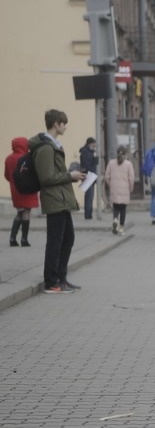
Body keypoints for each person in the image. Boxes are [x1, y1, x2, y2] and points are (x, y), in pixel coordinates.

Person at [32, 109, 86, 294]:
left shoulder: (54, 145)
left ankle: (61, 278)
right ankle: (51, 282)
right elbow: (46, 178)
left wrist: (71, 176)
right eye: (64, 123)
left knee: (68, 238)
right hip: (54, 199)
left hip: (61, 199)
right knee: (55, 241)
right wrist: (69, 176)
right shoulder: (46, 148)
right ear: (56, 124)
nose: (65, 126)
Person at [6, 137, 38, 247]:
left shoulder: (8, 158)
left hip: (15, 189)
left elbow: (6, 175)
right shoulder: (27, 158)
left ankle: (12, 238)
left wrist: (12, 182)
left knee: (19, 212)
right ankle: (24, 239)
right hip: (27, 188)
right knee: (26, 212)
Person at [104, 146, 134, 235]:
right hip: (125, 189)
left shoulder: (111, 163)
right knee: (123, 209)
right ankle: (121, 227)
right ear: (126, 154)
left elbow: (106, 176)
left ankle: (115, 219)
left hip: (114, 188)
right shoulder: (128, 164)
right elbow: (131, 178)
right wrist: (130, 188)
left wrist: (111, 185)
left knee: (116, 208)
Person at [79, 137, 98, 220]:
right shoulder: (85, 152)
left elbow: (93, 163)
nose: (94, 146)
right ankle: (88, 216)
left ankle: (89, 215)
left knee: (90, 196)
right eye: (93, 144)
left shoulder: (90, 152)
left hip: (92, 176)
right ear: (89, 144)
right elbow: (87, 165)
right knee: (89, 196)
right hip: (88, 176)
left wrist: (95, 157)